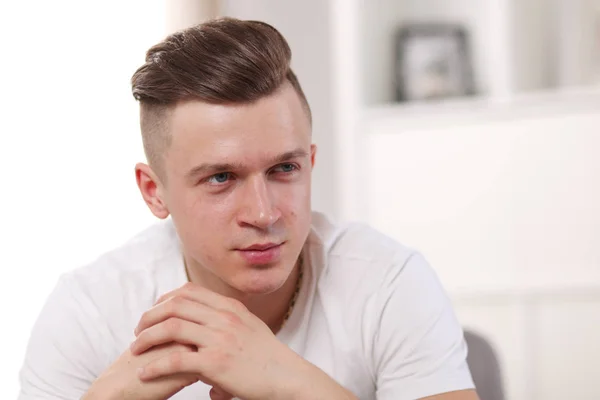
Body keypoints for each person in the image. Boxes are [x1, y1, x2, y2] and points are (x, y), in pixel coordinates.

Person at [18, 17, 478, 400]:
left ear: (310, 164)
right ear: (154, 192)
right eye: (221, 178)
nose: (263, 213)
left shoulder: (388, 281)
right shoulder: (90, 309)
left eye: (283, 169)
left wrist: (289, 382)